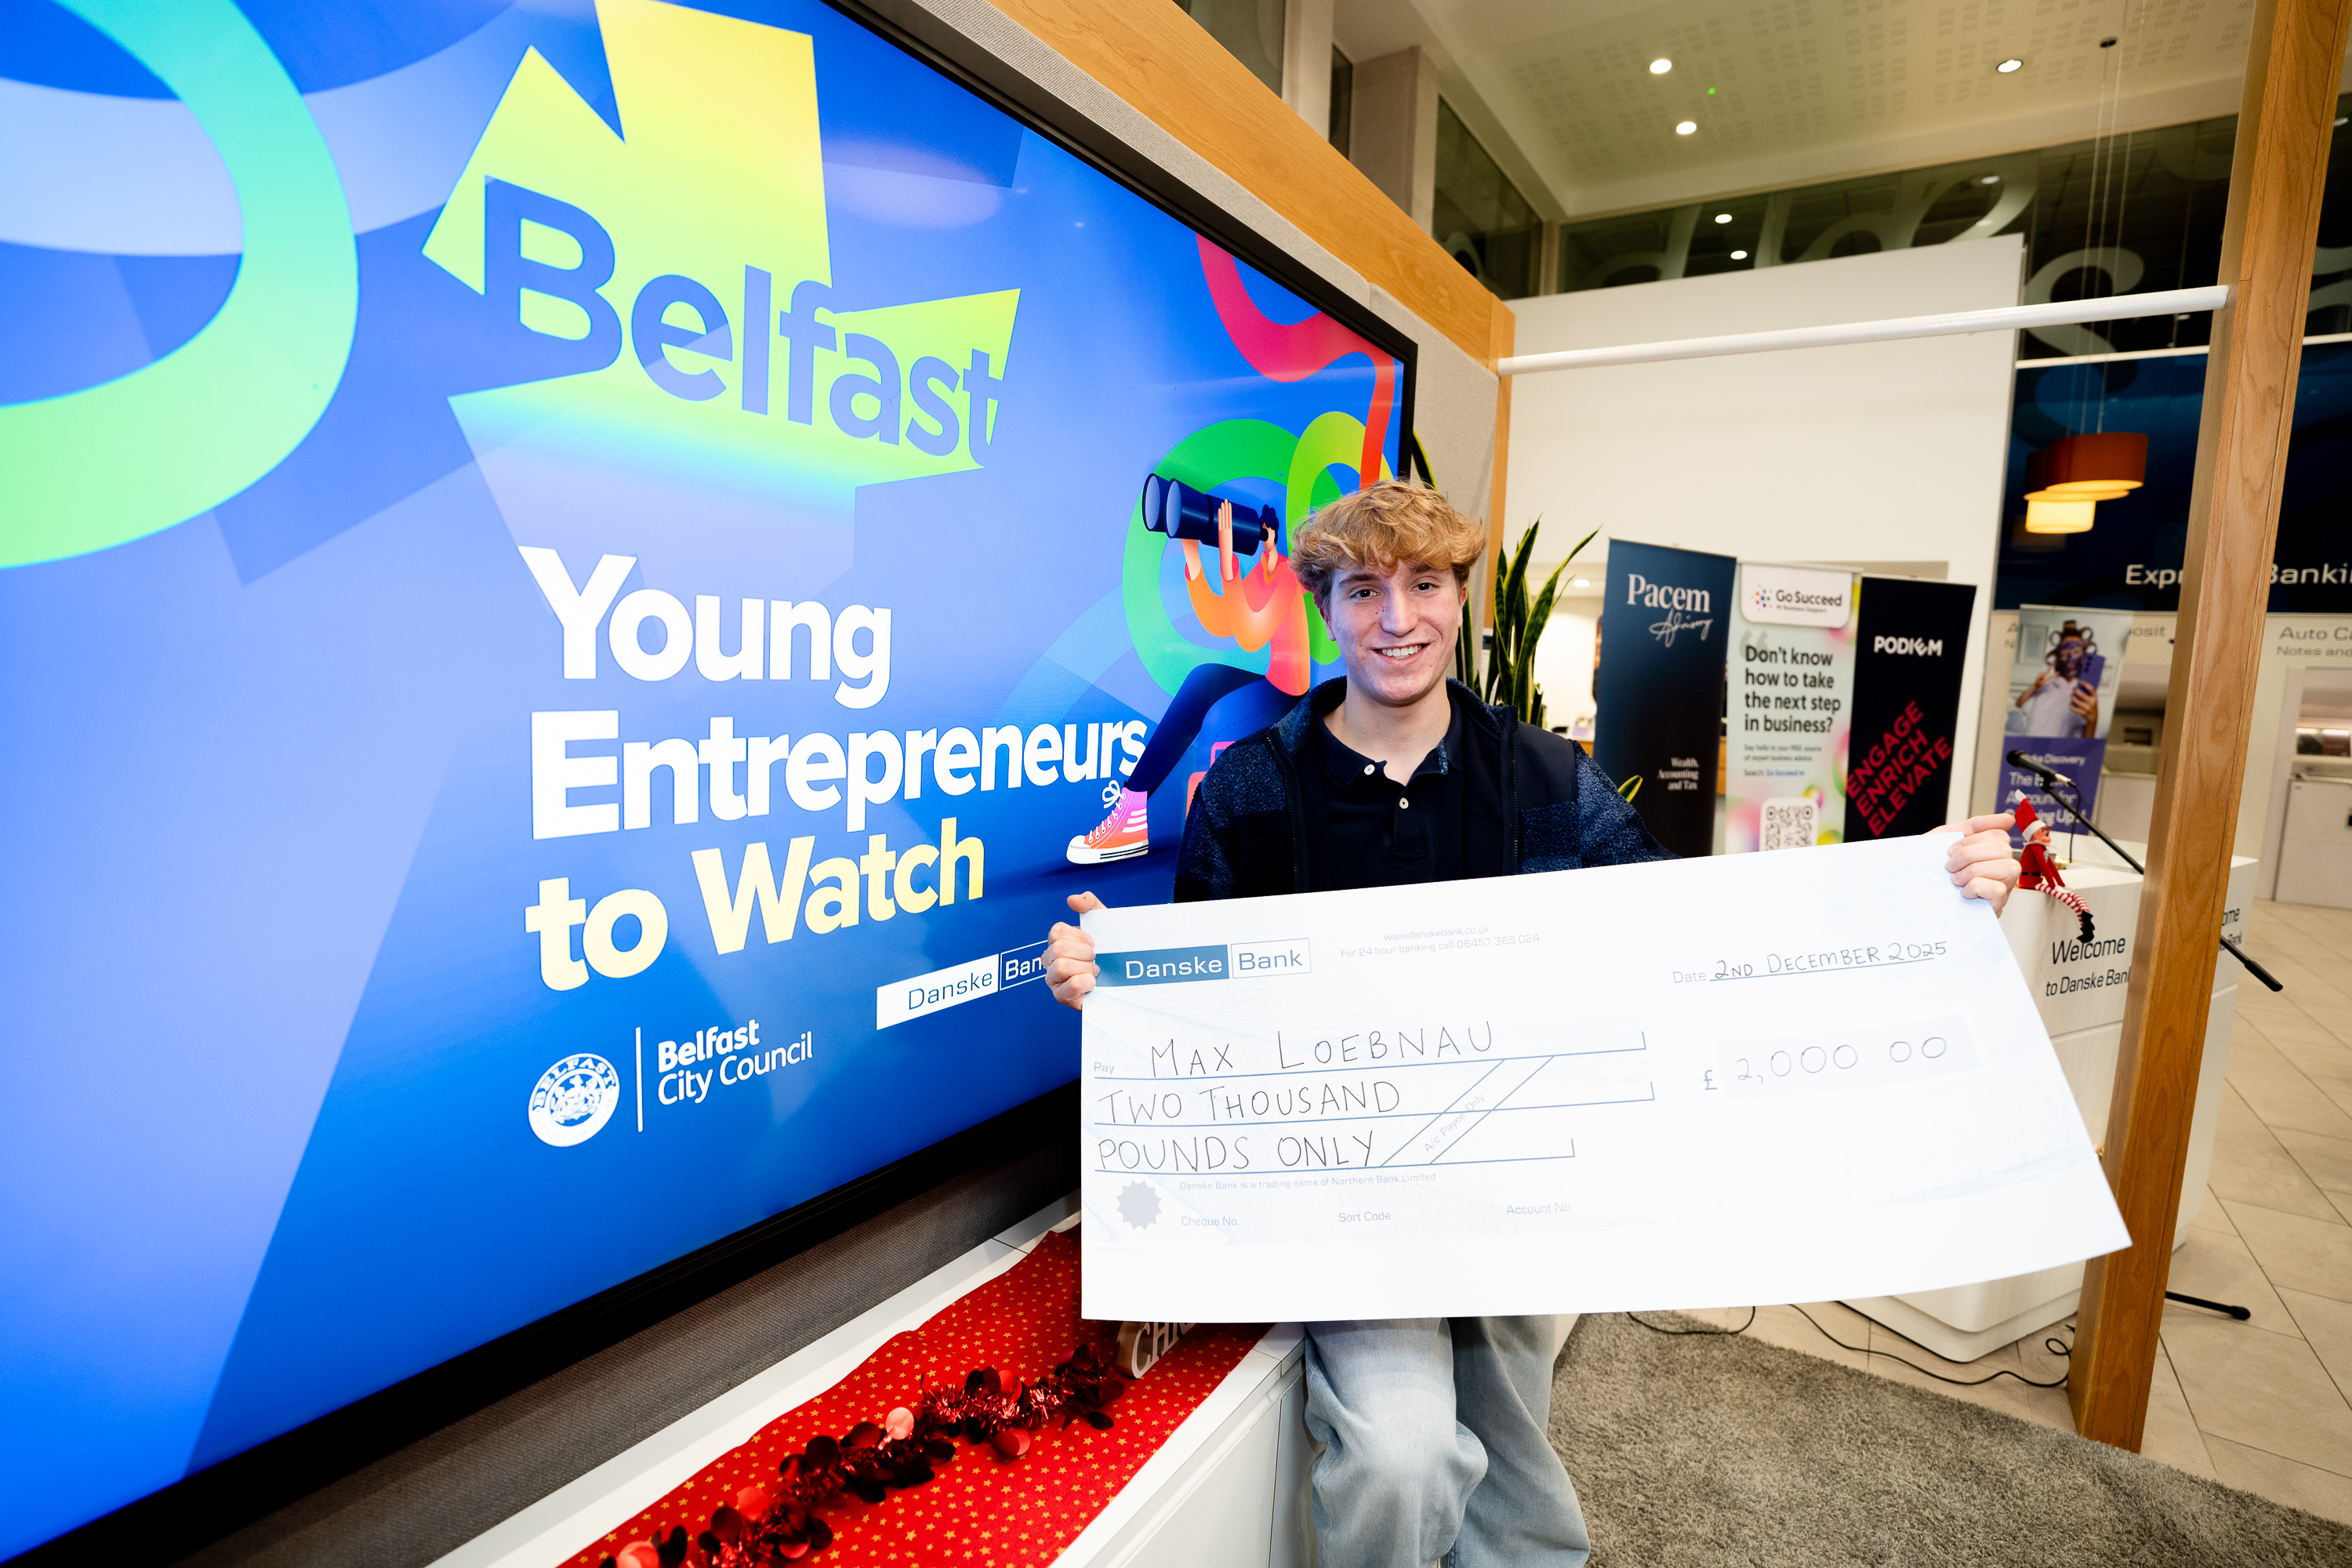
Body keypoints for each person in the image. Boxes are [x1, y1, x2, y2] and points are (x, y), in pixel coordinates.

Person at [1044, 480, 2022, 1568]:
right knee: (1404, 1456)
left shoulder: (1550, 778)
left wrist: (1931, 896)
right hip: (1345, 1200)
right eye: (1364, 590)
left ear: (1463, 599)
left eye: (1425, 584)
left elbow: (1694, 934)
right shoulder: (1254, 793)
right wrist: (1117, 985)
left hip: (1514, 1198)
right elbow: (1206, 1004)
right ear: (1325, 608)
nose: (1397, 618)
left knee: (1519, 1488)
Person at [2006, 619, 2100, 739]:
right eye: (2065, 653)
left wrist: (2093, 721)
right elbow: (2019, 703)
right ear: (2059, 658)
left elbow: (2087, 749)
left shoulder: (2086, 697)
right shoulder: (2046, 688)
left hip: (2061, 757)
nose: (2071, 657)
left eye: (2076, 652)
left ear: (2083, 657)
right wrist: (2035, 687)